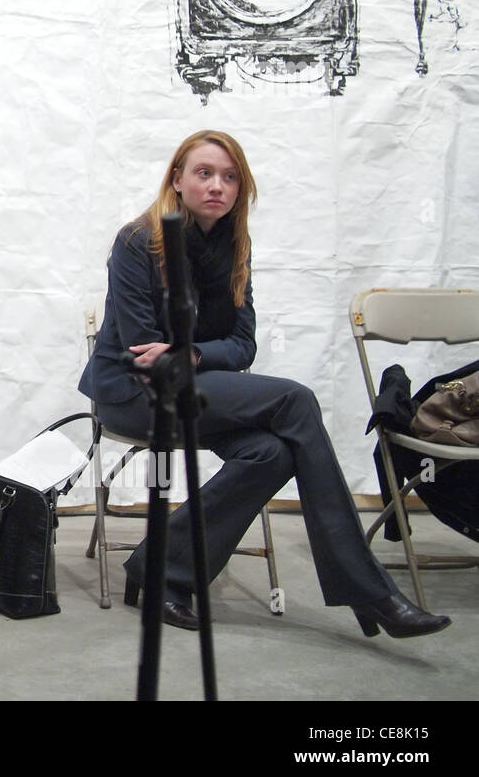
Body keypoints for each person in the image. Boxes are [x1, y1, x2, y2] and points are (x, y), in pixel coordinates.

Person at [78, 129, 451, 639]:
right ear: (177, 179)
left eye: (230, 177)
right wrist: (198, 355)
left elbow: (243, 344)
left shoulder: (235, 247)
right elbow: (146, 352)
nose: (217, 186)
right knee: (296, 400)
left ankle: (162, 569)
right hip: (132, 394)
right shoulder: (139, 241)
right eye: (204, 173)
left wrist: (192, 352)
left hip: (196, 391)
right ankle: (371, 591)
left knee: (271, 453)